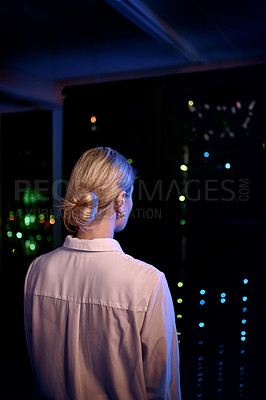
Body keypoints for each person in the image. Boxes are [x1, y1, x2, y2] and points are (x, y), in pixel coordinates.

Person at [24, 146, 182, 400]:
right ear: (121, 200)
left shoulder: (38, 270)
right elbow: (163, 389)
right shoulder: (148, 282)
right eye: (130, 196)